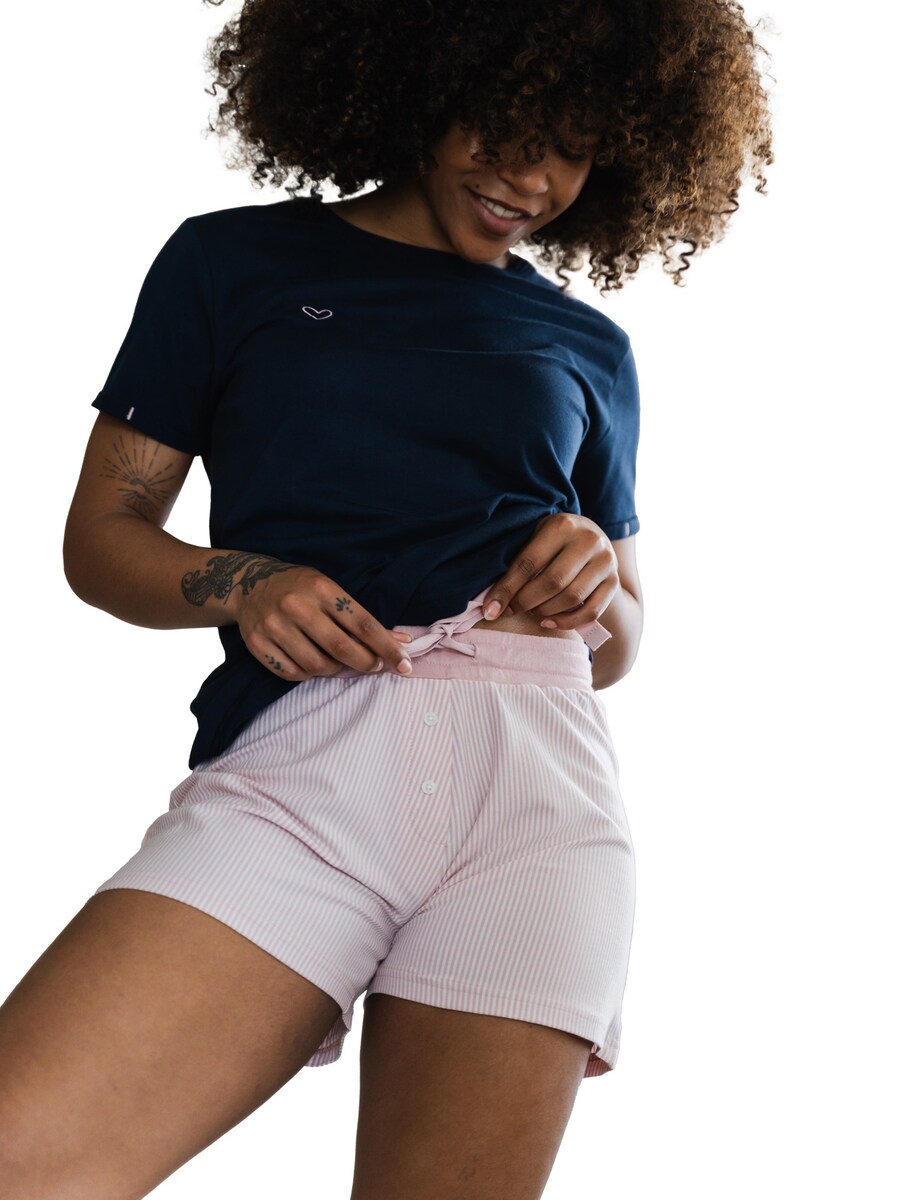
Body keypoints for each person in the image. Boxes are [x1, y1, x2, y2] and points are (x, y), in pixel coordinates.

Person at [0, 1, 772, 1197]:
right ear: (421, 80)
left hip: (538, 800)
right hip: (306, 772)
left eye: (573, 149)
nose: (532, 180)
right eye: (503, 130)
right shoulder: (231, 263)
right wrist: (243, 582)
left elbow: (622, 637)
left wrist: (592, 573)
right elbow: (102, 538)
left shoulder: (589, 347)